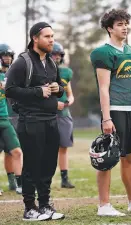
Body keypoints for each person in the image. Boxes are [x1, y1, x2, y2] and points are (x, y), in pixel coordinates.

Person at [90, 9, 131, 216]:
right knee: (107, 157)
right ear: (109, 28)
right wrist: (107, 117)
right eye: (119, 24)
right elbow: (103, 88)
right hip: (114, 111)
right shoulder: (103, 53)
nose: (124, 27)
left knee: (128, 158)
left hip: (130, 111)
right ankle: (104, 205)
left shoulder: (130, 51)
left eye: (126, 23)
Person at [5, 22, 65, 221]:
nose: (51, 40)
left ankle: (45, 205)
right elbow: (10, 90)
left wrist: (59, 89)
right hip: (30, 121)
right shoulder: (22, 62)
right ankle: (30, 208)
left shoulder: (51, 62)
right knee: (32, 166)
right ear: (35, 38)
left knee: (48, 165)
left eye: (52, 36)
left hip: (51, 121)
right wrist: (38, 91)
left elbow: (60, 88)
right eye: (47, 36)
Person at [51, 42, 75, 189]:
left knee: (64, 147)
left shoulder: (66, 72)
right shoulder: (43, 71)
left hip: (64, 114)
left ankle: (64, 179)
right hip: (47, 114)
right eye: (54, 54)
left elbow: (70, 95)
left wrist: (68, 102)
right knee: (45, 148)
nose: (57, 57)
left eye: (59, 54)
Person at [0, 43, 23, 195]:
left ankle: (19, 185)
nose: (7, 58)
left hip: (4, 118)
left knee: (16, 151)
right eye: (4, 55)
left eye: (9, 55)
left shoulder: (10, 74)